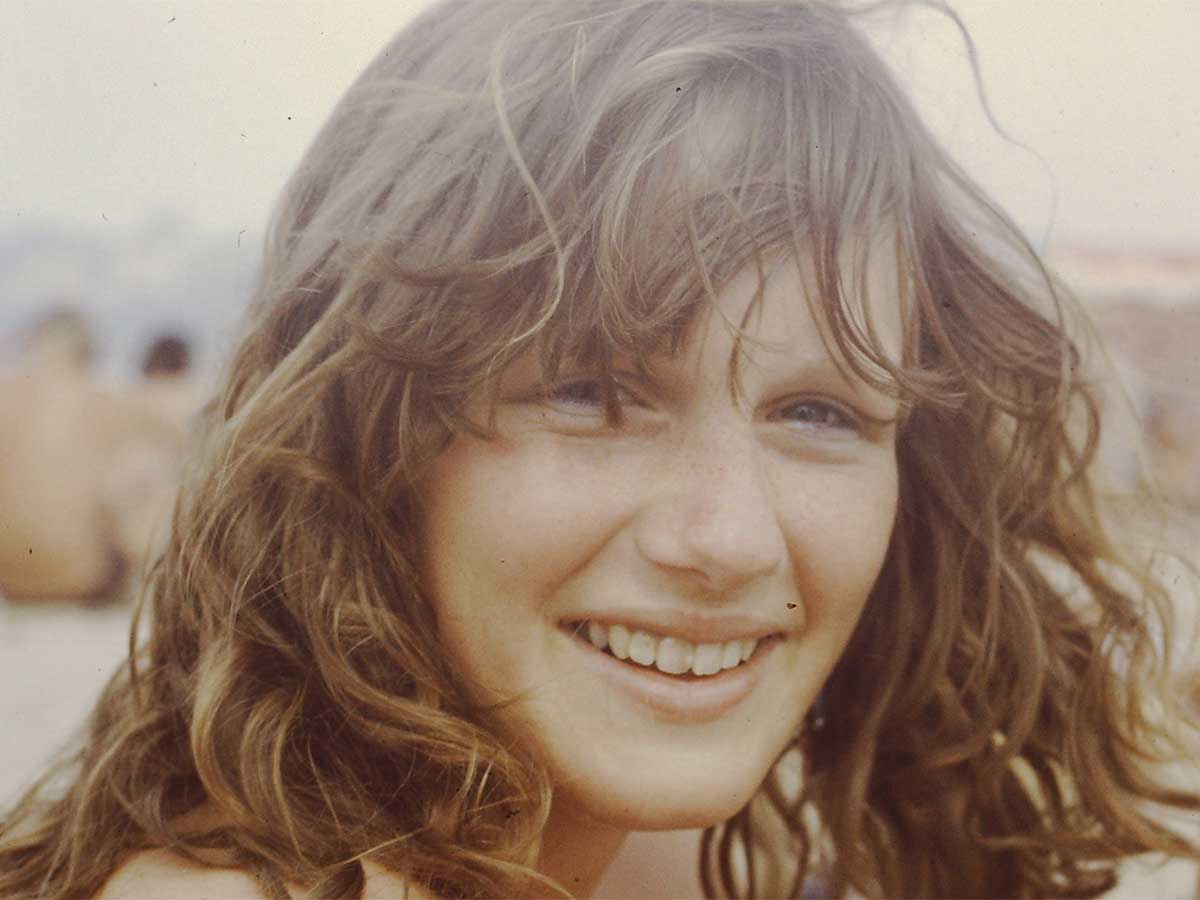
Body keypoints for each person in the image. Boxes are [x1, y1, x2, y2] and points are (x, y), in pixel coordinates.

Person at [2, 1, 1198, 896]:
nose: (729, 537)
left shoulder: (678, 855)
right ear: (365, 435)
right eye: (592, 394)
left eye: (819, 414)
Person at [0, 309, 183, 604]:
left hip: (10, 582)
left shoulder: (7, 394)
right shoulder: (107, 400)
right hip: (81, 578)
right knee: (145, 465)